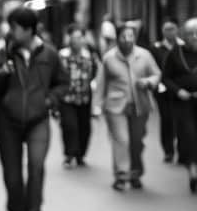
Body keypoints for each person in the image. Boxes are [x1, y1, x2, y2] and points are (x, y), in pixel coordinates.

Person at [0, 6, 68, 211]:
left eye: (14, 27)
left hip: (38, 119)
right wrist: (2, 72)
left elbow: (62, 82)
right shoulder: (4, 53)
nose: (10, 31)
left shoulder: (49, 54)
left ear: (29, 30)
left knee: (36, 166)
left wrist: (50, 100)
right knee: (12, 173)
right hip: (7, 121)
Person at [92, 24, 160, 191]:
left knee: (136, 142)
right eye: (124, 36)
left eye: (131, 36)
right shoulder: (109, 58)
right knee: (122, 140)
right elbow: (101, 84)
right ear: (117, 38)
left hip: (140, 105)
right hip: (115, 107)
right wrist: (96, 107)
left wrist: (149, 82)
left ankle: (135, 173)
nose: (128, 40)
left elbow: (157, 74)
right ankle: (121, 175)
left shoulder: (144, 55)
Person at [161, 18, 197, 193]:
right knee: (188, 135)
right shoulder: (176, 53)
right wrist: (178, 91)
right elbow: (165, 77)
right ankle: (192, 171)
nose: (195, 37)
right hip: (183, 102)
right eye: (191, 34)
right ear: (184, 35)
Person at [57, 24, 100, 168]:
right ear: (69, 39)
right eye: (74, 37)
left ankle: (80, 154)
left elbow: (96, 74)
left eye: (80, 37)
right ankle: (69, 154)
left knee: (84, 127)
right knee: (70, 126)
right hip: (67, 98)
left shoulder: (90, 56)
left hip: (85, 97)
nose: (77, 41)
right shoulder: (62, 55)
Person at [151, 19, 184, 164]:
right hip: (163, 90)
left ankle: (183, 151)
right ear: (162, 31)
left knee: (182, 120)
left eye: (172, 28)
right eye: (166, 29)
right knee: (167, 119)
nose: (170, 31)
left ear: (178, 30)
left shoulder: (184, 46)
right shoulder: (156, 47)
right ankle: (168, 151)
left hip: (181, 90)